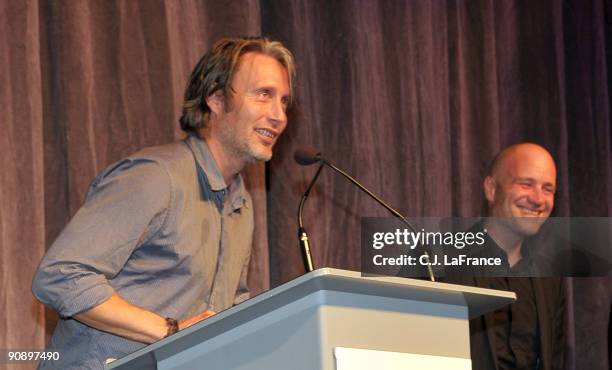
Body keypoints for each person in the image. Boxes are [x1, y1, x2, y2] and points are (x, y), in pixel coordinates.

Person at [31, 37, 295, 369]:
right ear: (215, 98)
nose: (279, 115)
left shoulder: (240, 202)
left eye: (284, 101)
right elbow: (58, 275)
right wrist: (169, 330)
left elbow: (221, 311)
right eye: (264, 95)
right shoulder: (156, 178)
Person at [459, 143, 566, 370]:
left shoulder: (550, 279)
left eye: (548, 189)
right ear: (491, 189)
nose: (538, 199)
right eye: (526, 184)